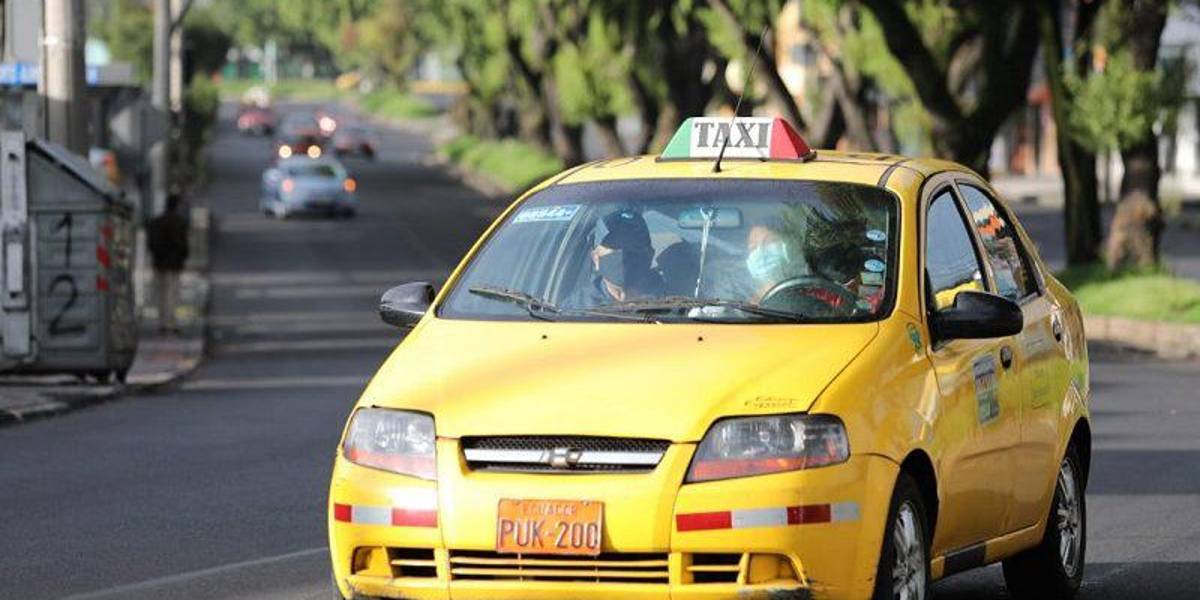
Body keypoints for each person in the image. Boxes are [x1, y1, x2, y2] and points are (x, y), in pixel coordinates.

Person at [569, 209, 663, 307]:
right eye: (615, 248)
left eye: (633, 247)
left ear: (650, 255)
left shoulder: (671, 302)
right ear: (595, 258)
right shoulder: (574, 309)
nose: (624, 256)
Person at [146, 190, 190, 335]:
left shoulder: (156, 222)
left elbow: (151, 243)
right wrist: (183, 257)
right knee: (173, 294)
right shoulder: (180, 222)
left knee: (161, 293)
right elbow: (183, 245)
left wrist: (156, 255)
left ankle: (162, 323)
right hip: (174, 264)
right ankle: (172, 322)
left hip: (159, 263)